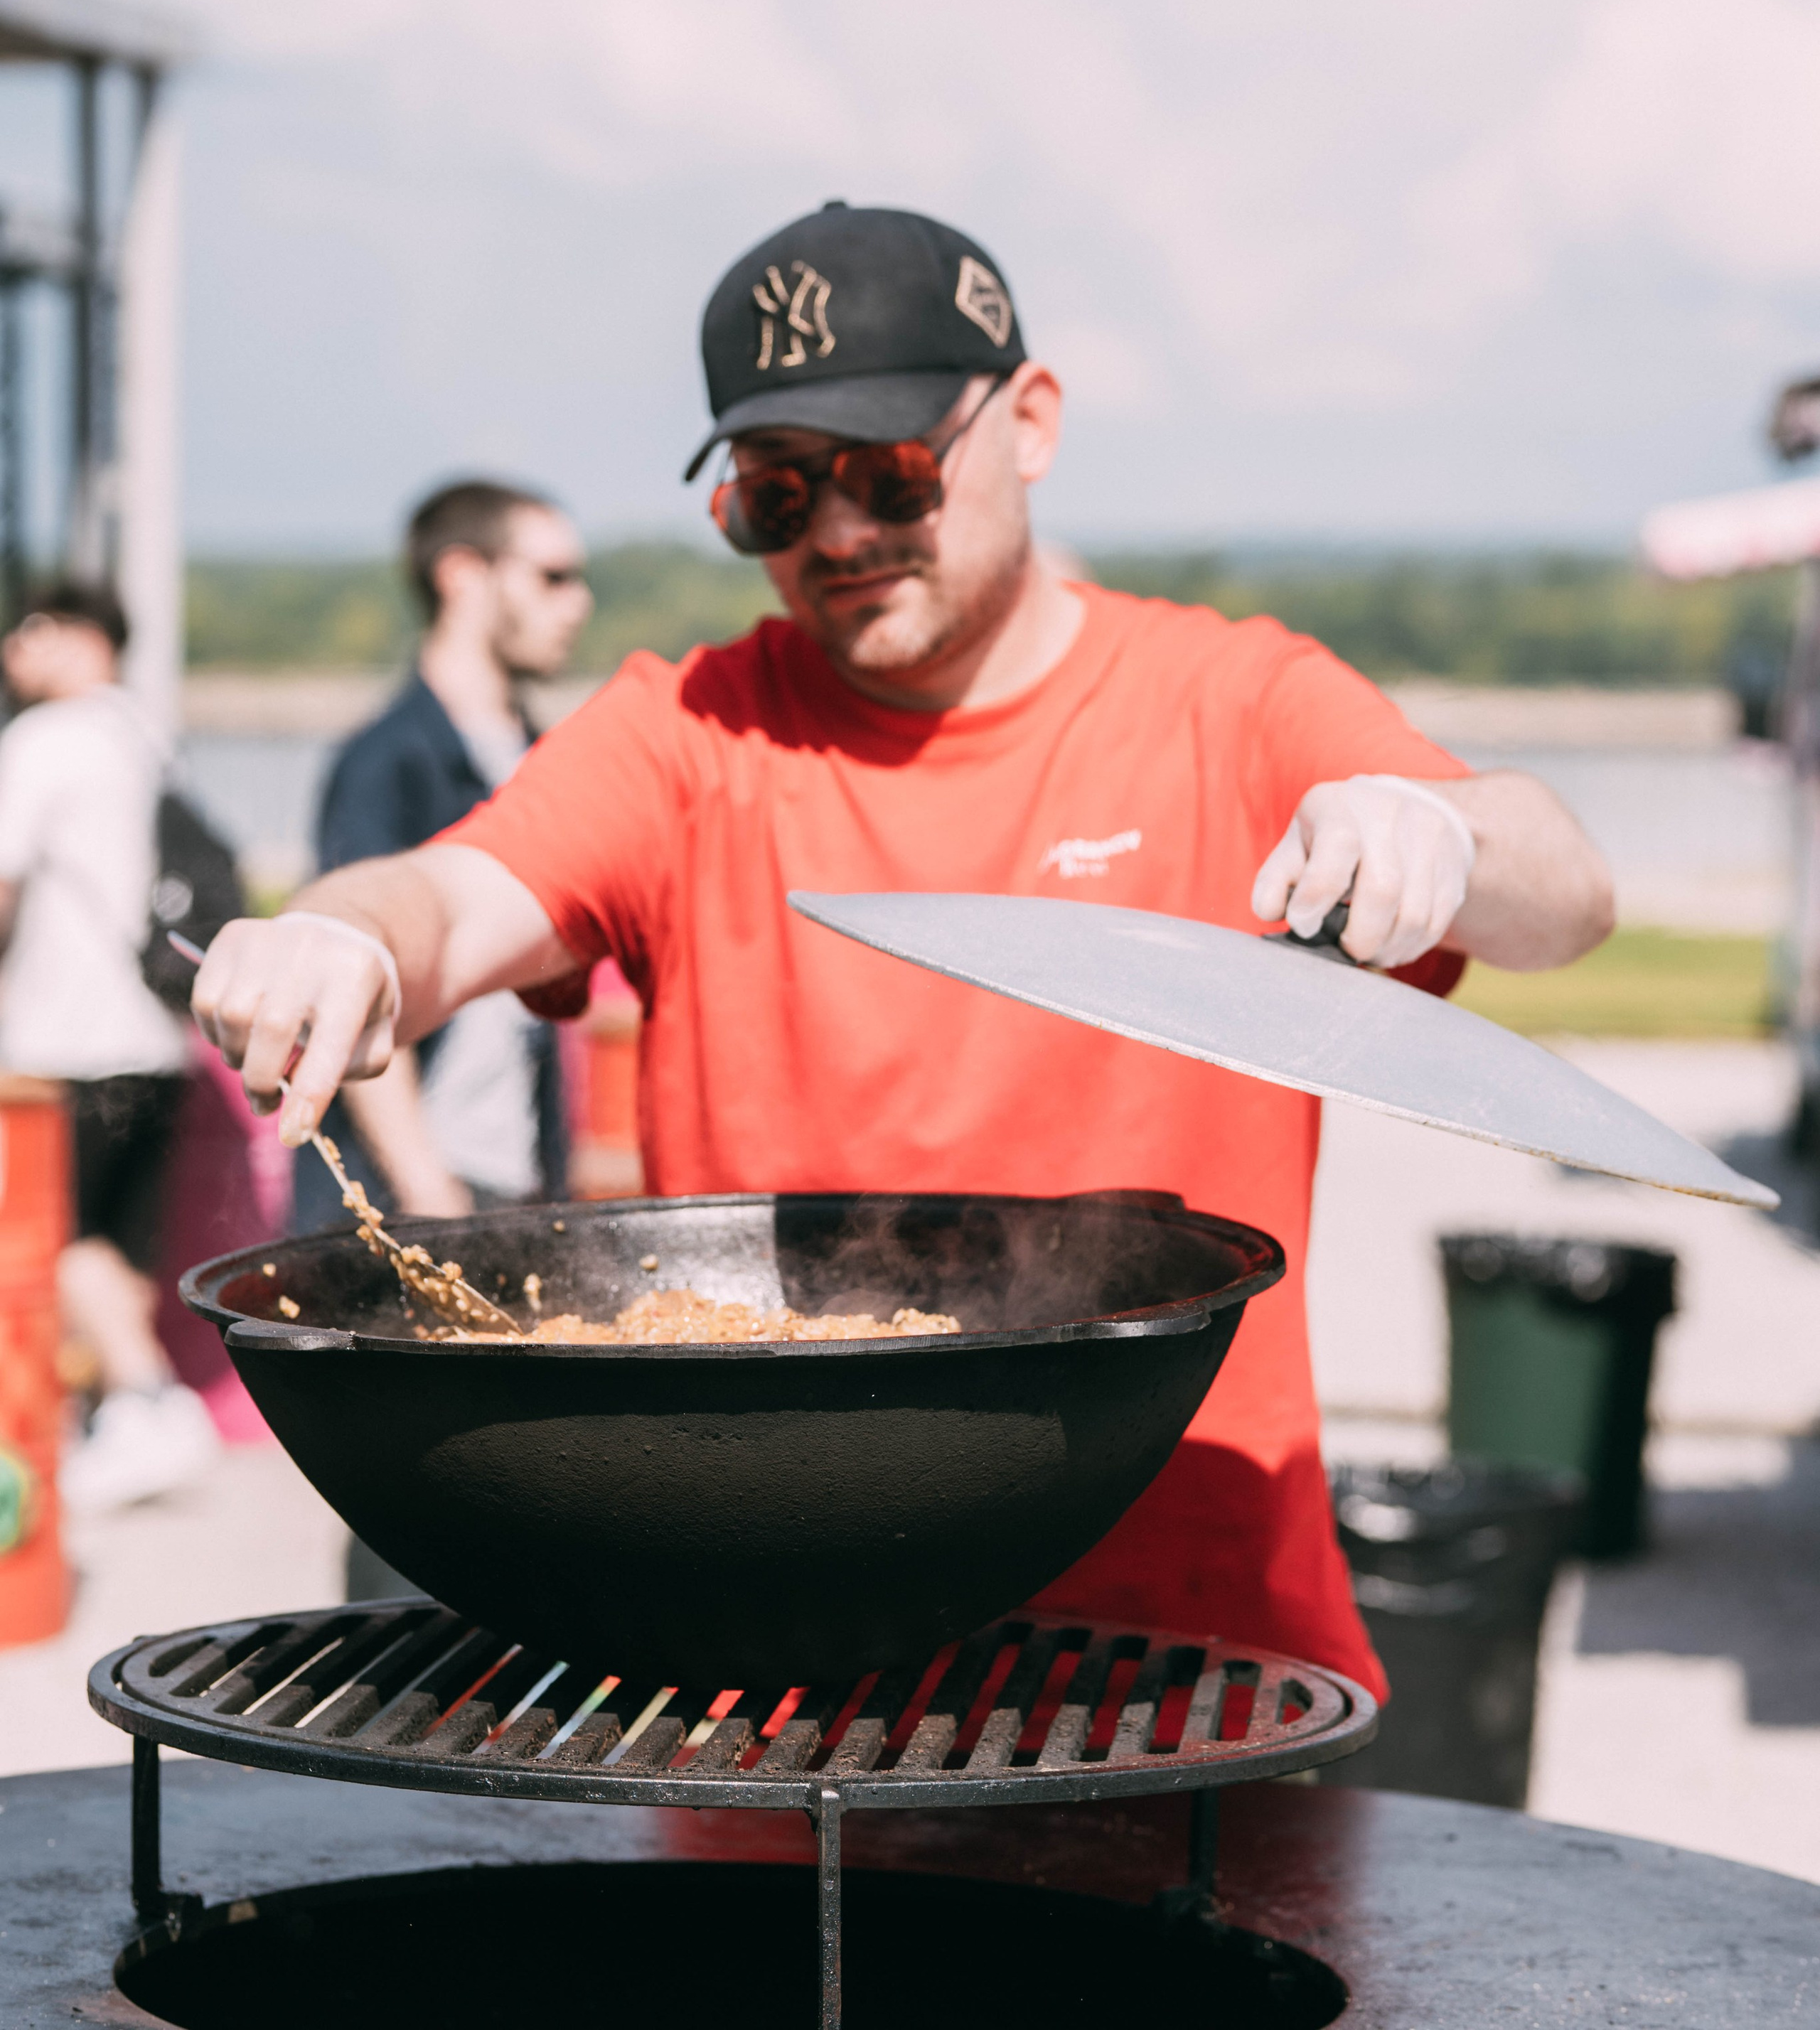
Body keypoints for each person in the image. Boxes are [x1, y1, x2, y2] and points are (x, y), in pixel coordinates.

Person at [193, 203, 1613, 1691]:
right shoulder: (690, 735)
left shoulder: (1228, 703)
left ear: (1031, 421)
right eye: (775, 494)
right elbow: (445, 899)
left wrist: (1439, 833)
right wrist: (342, 936)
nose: (839, 535)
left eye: (889, 474)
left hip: (1193, 1646)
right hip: (766, 1659)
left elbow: (1564, 896)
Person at [296, 479, 594, 1228]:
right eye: (553, 577)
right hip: (415, 1202)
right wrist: (426, 1188)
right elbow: (350, 976)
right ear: (462, 575)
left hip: (517, 1181)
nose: (578, 604)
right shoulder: (386, 761)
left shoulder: (546, 758)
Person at [0, 581, 216, 1511]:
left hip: (65, 1039)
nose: (14, 651)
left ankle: (147, 1400)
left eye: (27, 630)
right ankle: (120, 1425)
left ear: (79, 637)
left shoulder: (42, 738)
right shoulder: (143, 735)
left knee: (54, 1234)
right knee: (121, 1249)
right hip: (155, 1035)